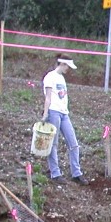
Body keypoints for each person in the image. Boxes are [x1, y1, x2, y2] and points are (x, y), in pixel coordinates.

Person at [41, 55, 88, 185]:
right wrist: (45, 114)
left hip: (64, 113)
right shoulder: (50, 77)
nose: (68, 69)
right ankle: (55, 173)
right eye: (67, 66)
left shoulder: (61, 78)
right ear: (62, 64)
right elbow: (48, 97)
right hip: (53, 112)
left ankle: (76, 173)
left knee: (73, 143)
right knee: (53, 143)